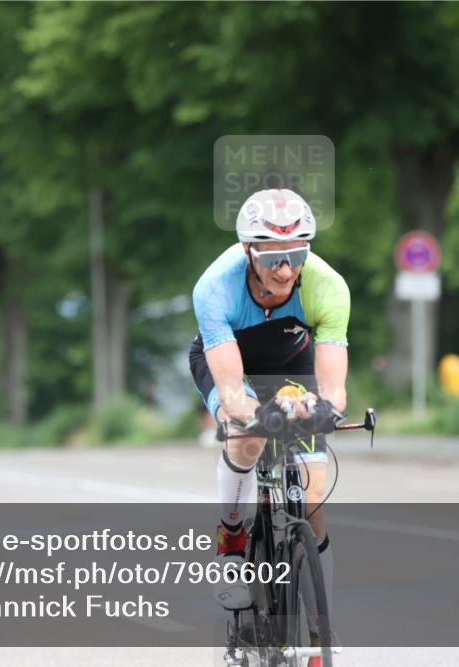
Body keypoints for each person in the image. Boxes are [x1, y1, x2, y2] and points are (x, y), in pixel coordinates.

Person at [190, 188, 349, 661]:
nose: (285, 269)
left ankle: (320, 636)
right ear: (248, 252)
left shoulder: (328, 286)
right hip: (229, 363)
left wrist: (322, 408)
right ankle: (231, 537)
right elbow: (232, 392)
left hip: (290, 363)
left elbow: (334, 388)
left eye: (296, 255)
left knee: (313, 499)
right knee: (246, 436)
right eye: (273, 258)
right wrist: (255, 415)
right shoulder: (215, 287)